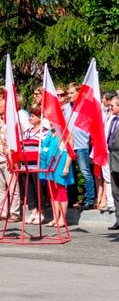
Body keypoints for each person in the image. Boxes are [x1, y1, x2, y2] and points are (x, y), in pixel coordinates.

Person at [0, 99, 21, 222]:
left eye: (0, 106)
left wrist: (13, 158)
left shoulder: (12, 124)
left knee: (13, 188)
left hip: (9, 160)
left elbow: (17, 143)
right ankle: (2, 212)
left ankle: (15, 212)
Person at [39, 124, 75, 228]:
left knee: (61, 191)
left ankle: (62, 219)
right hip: (50, 165)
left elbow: (70, 151)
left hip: (61, 164)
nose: (51, 122)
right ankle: (55, 218)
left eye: (53, 119)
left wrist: (67, 167)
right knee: (53, 193)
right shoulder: (50, 133)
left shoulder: (65, 132)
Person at [67, 82, 95, 211]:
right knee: (69, 172)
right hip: (69, 145)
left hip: (82, 144)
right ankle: (72, 198)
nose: (69, 95)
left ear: (79, 93)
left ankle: (90, 199)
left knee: (85, 172)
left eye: (72, 93)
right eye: (68, 93)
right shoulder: (67, 107)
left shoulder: (85, 107)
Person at [20, 106, 46, 224]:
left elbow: (45, 148)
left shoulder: (44, 132)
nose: (30, 118)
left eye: (33, 116)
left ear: (40, 118)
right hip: (26, 165)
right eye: (30, 116)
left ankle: (41, 213)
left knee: (38, 188)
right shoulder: (26, 132)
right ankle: (33, 211)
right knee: (29, 189)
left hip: (37, 165)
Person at [106, 96, 119, 230]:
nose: (111, 108)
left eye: (113, 106)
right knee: (116, 191)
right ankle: (118, 219)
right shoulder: (113, 119)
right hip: (112, 158)